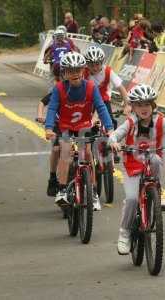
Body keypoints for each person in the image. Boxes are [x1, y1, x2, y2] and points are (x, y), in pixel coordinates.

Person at [108, 84, 165, 255]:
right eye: (139, 105)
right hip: (132, 164)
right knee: (131, 199)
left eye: (147, 104)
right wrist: (113, 142)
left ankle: (158, 190)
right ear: (133, 107)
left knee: (157, 159)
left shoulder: (160, 120)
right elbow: (114, 135)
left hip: (151, 160)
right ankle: (124, 233)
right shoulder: (130, 122)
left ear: (153, 105)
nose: (143, 108)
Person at [45, 52, 114, 211]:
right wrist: (49, 128)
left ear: (83, 70)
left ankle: (94, 192)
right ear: (64, 73)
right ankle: (62, 190)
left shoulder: (91, 87)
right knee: (66, 152)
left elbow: (101, 108)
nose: (75, 73)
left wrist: (110, 129)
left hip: (84, 126)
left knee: (88, 154)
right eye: (70, 70)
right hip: (66, 126)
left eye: (78, 70)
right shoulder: (59, 88)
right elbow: (52, 108)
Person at [83, 45, 130, 129]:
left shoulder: (108, 71)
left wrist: (127, 105)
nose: (94, 68)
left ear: (102, 62)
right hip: (89, 100)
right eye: (91, 65)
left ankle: (111, 138)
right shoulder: (83, 72)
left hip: (104, 100)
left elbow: (121, 88)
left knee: (110, 123)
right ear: (86, 64)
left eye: (97, 64)